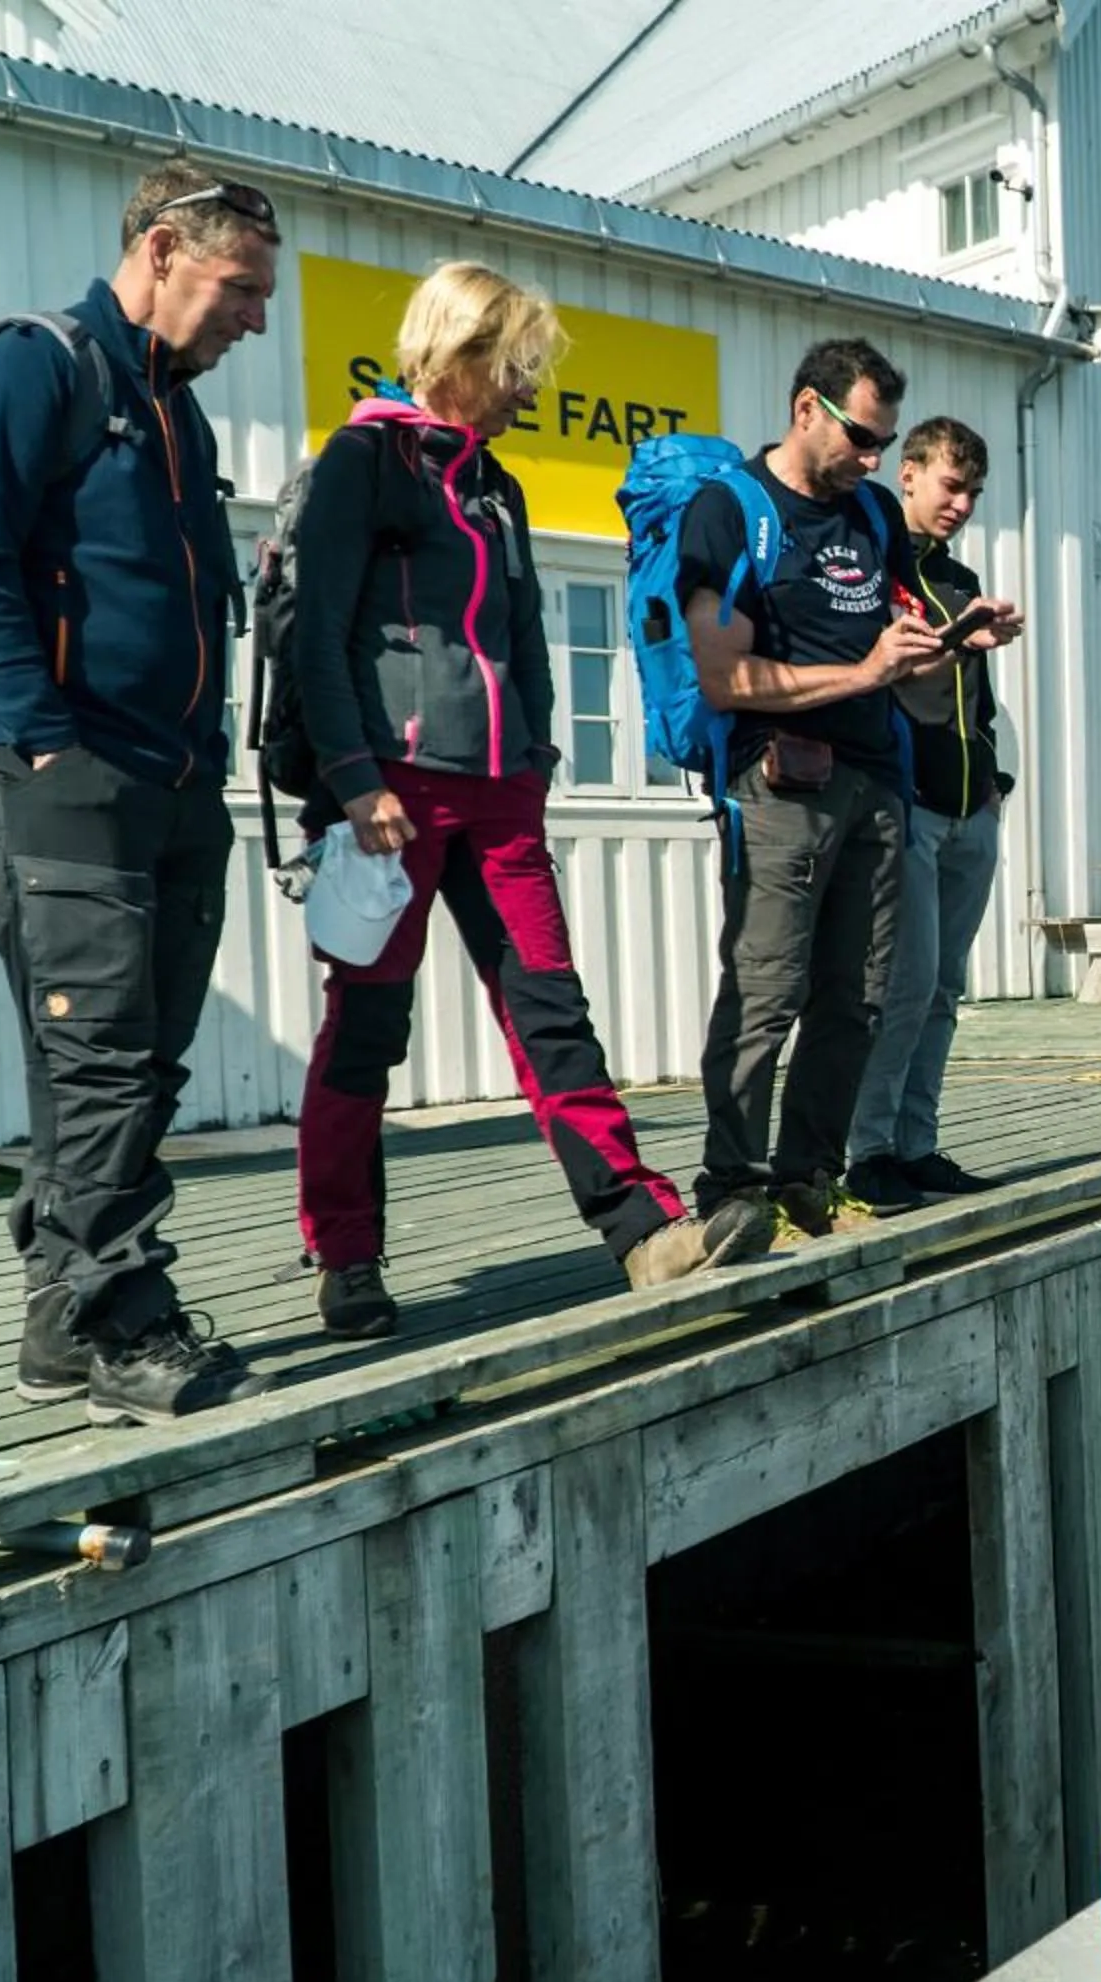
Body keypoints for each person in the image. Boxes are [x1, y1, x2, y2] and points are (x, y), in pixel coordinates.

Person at [286, 261, 773, 1337]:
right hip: (391, 798)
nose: (529, 392)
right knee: (367, 1027)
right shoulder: (363, 459)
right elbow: (317, 636)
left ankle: (646, 1232)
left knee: (553, 1014)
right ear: (460, 353)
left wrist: (541, 757)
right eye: (517, 369)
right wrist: (356, 779)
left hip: (503, 797)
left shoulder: (494, 484)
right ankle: (347, 1254)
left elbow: (521, 638)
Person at [0, 164, 279, 1423]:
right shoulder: (39, 366)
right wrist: (40, 745)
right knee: (97, 1059)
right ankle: (127, 1327)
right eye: (239, 289)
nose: (254, 319)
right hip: (62, 769)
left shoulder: (173, 412)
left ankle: (56, 1328)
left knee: (137, 1064)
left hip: (173, 775)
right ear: (159, 250)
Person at [680, 338, 1010, 1234]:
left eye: (883, 441)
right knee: (768, 987)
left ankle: (808, 1177)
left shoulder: (868, 514)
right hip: (782, 785)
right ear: (805, 410)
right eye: (864, 438)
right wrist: (865, 674)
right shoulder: (731, 511)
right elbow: (724, 678)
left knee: (860, 995)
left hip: (877, 790)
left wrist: (955, 642)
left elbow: (908, 679)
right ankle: (732, 1185)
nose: (874, 459)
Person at [844, 417, 1024, 1199]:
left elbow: (972, 701)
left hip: (968, 808)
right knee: (902, 984)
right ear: (909, 474)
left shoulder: (959, 580)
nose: (961, 504)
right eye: (952, 486)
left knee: (946, 987)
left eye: (974, 493)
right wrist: (961, 642)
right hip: (908, 804)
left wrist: (992, 786)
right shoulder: (872, 566)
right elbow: (893, 670)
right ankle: (868, 1151)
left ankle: (918, 1142)